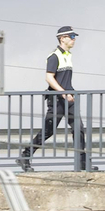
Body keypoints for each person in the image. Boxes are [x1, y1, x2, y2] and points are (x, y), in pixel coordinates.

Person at [18, 27, 79, 171]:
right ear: (62, 38)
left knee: (79, 129)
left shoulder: (68, 55)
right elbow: (49, 78)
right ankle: (25, 156)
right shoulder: (54, 56)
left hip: (68, 98)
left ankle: (82, 162)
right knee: (48, 131)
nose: (74, 39)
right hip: (57, 99)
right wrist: (63, 93)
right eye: (71, 36)